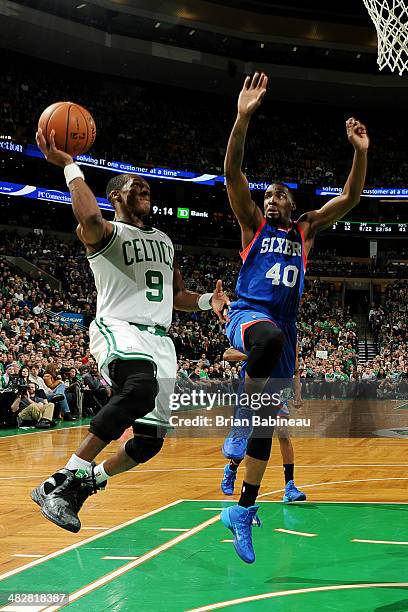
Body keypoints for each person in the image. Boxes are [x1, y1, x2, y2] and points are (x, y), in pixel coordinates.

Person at [31, 128, 229, 533]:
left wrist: (210, 301)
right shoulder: (104, 232)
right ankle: (65, 477)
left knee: (148, 443)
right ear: (117, 196)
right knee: (138, 389)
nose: (146, 193)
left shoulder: (165, 240)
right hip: (118, 326)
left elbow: (178, 295)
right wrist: (70, 166)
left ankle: (79, 487)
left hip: (162, 341)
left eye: (148, 190)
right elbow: (87, 215)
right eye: (137, 188)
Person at [220, 72, 369, 563]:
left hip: (285, 336)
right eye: (267, 197)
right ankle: (241, 418)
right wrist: (243, 117)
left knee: (268, 424)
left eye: (278, 196)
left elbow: (348, 198)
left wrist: (360, 153)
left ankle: (243, 508)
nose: (270, 201)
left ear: (293, 204)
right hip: (249, 313)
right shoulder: (252, 226)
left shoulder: (305, 230)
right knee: (263, 345)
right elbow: (233, 174)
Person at [220, 346, 305, 503]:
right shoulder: (260, 332)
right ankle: (232, 468)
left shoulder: (291, 339)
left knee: (283, 434)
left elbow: (295, 370)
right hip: (257, 391)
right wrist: (253, 356)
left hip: (280, 392)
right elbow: (228, 354)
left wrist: (298, 393)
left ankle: (290, 486)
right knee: (253, 437)